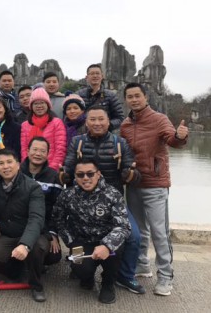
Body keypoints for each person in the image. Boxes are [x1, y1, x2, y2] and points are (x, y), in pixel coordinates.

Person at [64, 106, 144, 294]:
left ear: (109, 122)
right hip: (82, 202)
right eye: (92, 119)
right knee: (75, 235)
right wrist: (63, 175)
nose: (97, 123)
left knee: (134, 237)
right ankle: (79, 268)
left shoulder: (120, 143)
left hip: (112, 202)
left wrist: (130, 174)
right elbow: (68, 168)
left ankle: (125, 276)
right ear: (86, 122)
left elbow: (134, 175)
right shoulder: (77, 142)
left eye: (101, 119)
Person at [121, 82, 189, 297]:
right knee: (139, 230)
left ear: (146, 97)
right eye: (130, 96)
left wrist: (180, 136)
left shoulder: (159, 119)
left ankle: (166, 276)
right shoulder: (125, 124)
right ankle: (142, 265)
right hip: (133, 184)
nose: (134, 99)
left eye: (137, 96)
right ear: (126, 100)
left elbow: (172, 140)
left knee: (160, 232)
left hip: (156, 184)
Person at [53, 160, 131, 304]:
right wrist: (71, 242)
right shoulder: (67, 194)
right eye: (80, 174)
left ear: (98, 174)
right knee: (79, 269)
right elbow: (58, 219)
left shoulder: (113, 194)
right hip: (80, 240)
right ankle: (87, 277)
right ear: (75, 176)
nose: (85, 178)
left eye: (90, 174)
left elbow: (123, 226)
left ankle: (108, 283)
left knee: (116, 251)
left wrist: (107, 245)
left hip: (106, 240)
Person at [0, 149, 49, 302]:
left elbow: (36, 218)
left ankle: (36, 285)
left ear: (18, 165)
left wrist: (25, 245)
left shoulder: (32, 187)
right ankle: (17, 271)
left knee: (37, 248)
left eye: (9, 162)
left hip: (33, 234)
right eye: (1, 163)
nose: (5, 166)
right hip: (9, 234)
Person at [19, 137, 63, 267]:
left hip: (43, 227)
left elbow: (57, 210)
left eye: (42, 151)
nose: (38, 154)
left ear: (48, 154)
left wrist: (52, 233)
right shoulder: (16, 172)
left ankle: (35, 263)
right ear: (28, 151)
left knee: (53, 255)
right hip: (18, 224)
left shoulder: (54, 177)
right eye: (35, 149)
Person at [20, 87, 66, 171]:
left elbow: (60, 149)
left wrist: (51, 169)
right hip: (30, 169)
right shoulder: (25, 125)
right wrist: (27, 168)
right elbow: (24, 149)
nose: (39, 106)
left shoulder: (56, 123)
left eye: (42, 103)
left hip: (50, 169)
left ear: (48, 105)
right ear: (31, 106)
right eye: (35, 103)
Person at [78, 64, 124, 131]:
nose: (95, 76)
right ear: (87, 77)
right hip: (84, 133)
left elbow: (120, 118)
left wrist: (107, 125)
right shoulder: (79, 95)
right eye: (92, 74)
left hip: (105, 133)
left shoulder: (110, 95)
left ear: (102, 76)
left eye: (97, 73)